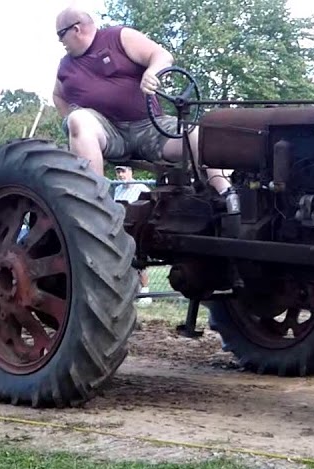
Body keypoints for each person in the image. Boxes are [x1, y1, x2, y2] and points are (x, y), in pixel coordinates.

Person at [51, 8, 232, 198]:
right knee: (79, 119)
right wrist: (77, 132)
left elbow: (162, 56)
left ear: (76, 29)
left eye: (61, 35)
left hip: (150, 127)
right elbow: (58, 96)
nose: (60, 41)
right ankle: (96, 203)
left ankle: (227, 196)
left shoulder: (119, 37)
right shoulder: (66, 66)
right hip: (110, 133)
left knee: (198, 135)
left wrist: (152, 72)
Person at [112, 165, 152, 304]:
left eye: (123, 171)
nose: (121, 175)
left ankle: (145, 293)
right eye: (118, 172)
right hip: (122, 228)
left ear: (130, 172)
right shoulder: (117, 189)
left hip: (137, 229)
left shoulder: (141, 188)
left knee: (139, 262)